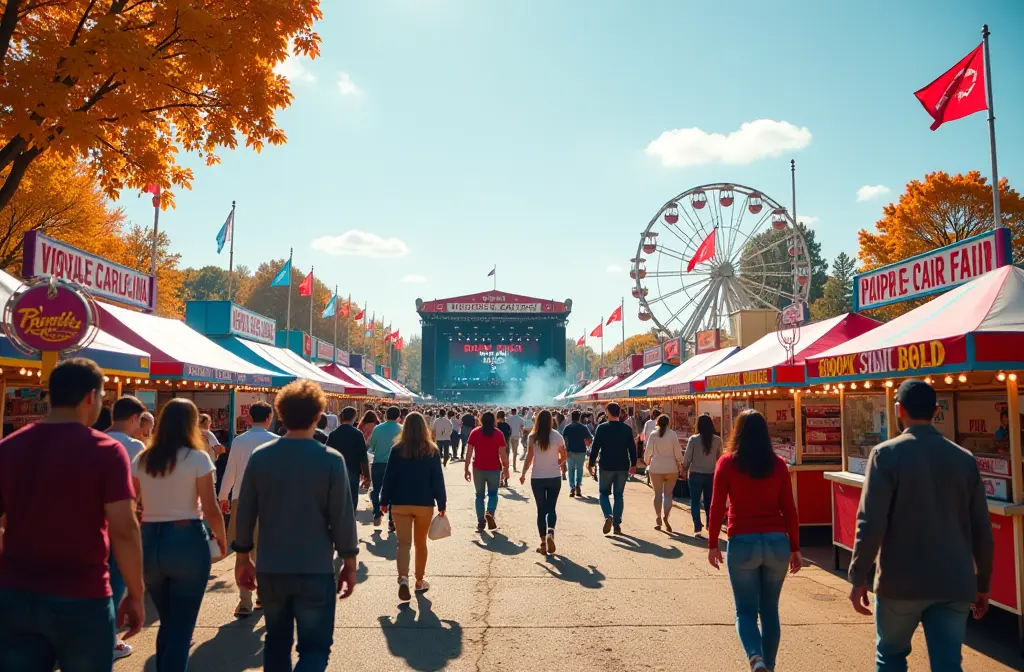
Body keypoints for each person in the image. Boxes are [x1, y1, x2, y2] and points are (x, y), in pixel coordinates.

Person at [0, 358, 145, 672]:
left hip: (16, 593)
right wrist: (135, 593)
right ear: (90, 397)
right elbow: (124, 529)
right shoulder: (106, 451)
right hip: (83, 595)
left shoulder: (9, 447)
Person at [848, 380, 993, 671]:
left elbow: (871, 522)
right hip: (954, 580)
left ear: (899, 410)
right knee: (948, 663)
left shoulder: (885, 455)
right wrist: (983, 583)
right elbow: (981, 527)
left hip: (900, 581)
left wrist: (859, 575)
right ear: (936, 411)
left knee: (890, 656)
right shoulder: (964, 460)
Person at [233, 380, 359, 672]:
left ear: (279, 414)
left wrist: (242, 557)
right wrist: (349, 562)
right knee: (315, 649)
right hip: (314, 567)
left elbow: (246, 512)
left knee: (276, 644)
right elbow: (342, 517)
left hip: (271, 567)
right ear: (318, 416)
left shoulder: (261, 456)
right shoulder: (330, 460)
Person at [132, 398, 227, 672]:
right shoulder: (197, 458)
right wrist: (220, 539)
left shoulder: (142, 459)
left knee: (169, 620)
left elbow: (132, 504)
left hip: (150, 540)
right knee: (182, 626)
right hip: (186, 540)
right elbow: (209, 506)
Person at [708, 410, 801, 672]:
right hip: (776, 541)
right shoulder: (779, 464)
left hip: (742, 541)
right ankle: (769, 665)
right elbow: (789, 510)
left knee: (746, 612)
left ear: (737, 432)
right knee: (770, 610)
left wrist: (712, 543)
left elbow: (717, 506)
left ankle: (755, 658)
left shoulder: (727, 464)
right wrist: (795, 547)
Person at [379, 412, 447, 601]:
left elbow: (389, 477)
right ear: (424, 428)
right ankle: (419, 580)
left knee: (403, 544)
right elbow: (437, 480)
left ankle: (403, 579)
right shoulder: (432, 449)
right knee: (420, 544)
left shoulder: (397, 449)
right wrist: (442, 503)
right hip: (424, 503)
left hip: (400, 503)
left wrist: (383, 501)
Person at [218, 400, 276, 618]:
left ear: (249, 418)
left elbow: (230, 471)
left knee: (244, 553)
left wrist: (223, 496)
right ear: (269, 418)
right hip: (271, 502)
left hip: (242, 500)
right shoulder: (277, 442)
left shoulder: (240, 441)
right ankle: (263, 594)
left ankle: (244, 600)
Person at [104, 395, 149, 659]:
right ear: (134, 418)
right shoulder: (134, 447)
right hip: (124, 520)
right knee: (117, 582)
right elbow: (143, 486)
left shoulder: (96, 439)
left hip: (93, 523)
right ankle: (108, 640)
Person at [520, 410, 567, 554]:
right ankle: (550, 532)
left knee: (541, 510)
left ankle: (543, 544)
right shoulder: (557, 436)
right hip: (554, 477)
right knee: (551, 508)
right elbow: (564, 455)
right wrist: (558, 464)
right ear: (551, 421)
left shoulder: (532, 437)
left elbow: (529, 457)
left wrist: (523, 473)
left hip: (537, 477)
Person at [587, 402, 637, 535]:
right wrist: (633, 465)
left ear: (608, 413)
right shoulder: (626, 429)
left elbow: (595, 447)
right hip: (622, 466)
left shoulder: (602, 428)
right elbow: (632, 448)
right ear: (619, 413)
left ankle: (608, 515)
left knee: (603, 494)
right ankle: (616, 525)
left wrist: (591, 463)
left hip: (606, 466)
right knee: (618, 495)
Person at [464, 410, 509, 532]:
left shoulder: (475, 433)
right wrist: (506, 468)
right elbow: (503, 455)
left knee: (479, 495)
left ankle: (481, 522)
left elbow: (469, 452)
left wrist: (466, 468)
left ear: (481, 420)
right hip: (494, 468)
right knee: (493, 494)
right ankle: (490, 511)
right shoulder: (498, 434)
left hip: (478, 467)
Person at [683, 414, 722, 536]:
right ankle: (710, 524)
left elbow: (688, 457)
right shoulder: (717, 440)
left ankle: (697, 526)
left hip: (695, 474)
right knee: (709, 501)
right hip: (711, 474)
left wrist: (684, 468)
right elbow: (720, 458)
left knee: (694, 501)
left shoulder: (693, 439)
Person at [327, 406, 371, 512]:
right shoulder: (357, 434)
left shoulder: (334, 434)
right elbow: (363, 457)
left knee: (337, 501)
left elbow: (327, 454)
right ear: (354, 418)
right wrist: (367, 477)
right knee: (351, 501)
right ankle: (349, 524)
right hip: (352, 472)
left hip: (336, 472)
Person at [645, 414, 684, 532]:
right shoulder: (672, 434)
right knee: (668, 494)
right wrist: (680, 463)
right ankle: (666, 516)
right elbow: (678, 452)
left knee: (657, 494)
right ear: (668, 423)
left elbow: (648, 452)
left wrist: (647, 462)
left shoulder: (653, 434)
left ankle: (658, 517)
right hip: (671, 468)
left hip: (656, 467)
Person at [369, 407, 403, 532]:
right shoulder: (402, 429)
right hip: (396, 465)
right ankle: (391, 521)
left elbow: (372, 446)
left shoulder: (377, 428)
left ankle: (377, 513)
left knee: (376, 489)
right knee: (394, 493)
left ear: (385, 415)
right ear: (398, 416)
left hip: (378, 463)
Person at [561, 410, 592, 498]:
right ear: (579, 418)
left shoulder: (567, 427)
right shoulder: (583, 427)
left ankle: (572, 488)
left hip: (570, 451)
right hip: (581, 451)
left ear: (571, 417)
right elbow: (589, 438)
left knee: (571, 470)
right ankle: (578, 485)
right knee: (579, 469)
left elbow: (564, 439)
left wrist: (566, 449)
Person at [496, 411, 513, 486]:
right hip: (506, 446)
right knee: (505, 463)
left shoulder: (496, 426)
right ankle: (505, 479)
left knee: (497, 464)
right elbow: (509, 435)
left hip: (496, 447)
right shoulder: (508, 426)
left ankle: (500, 480)